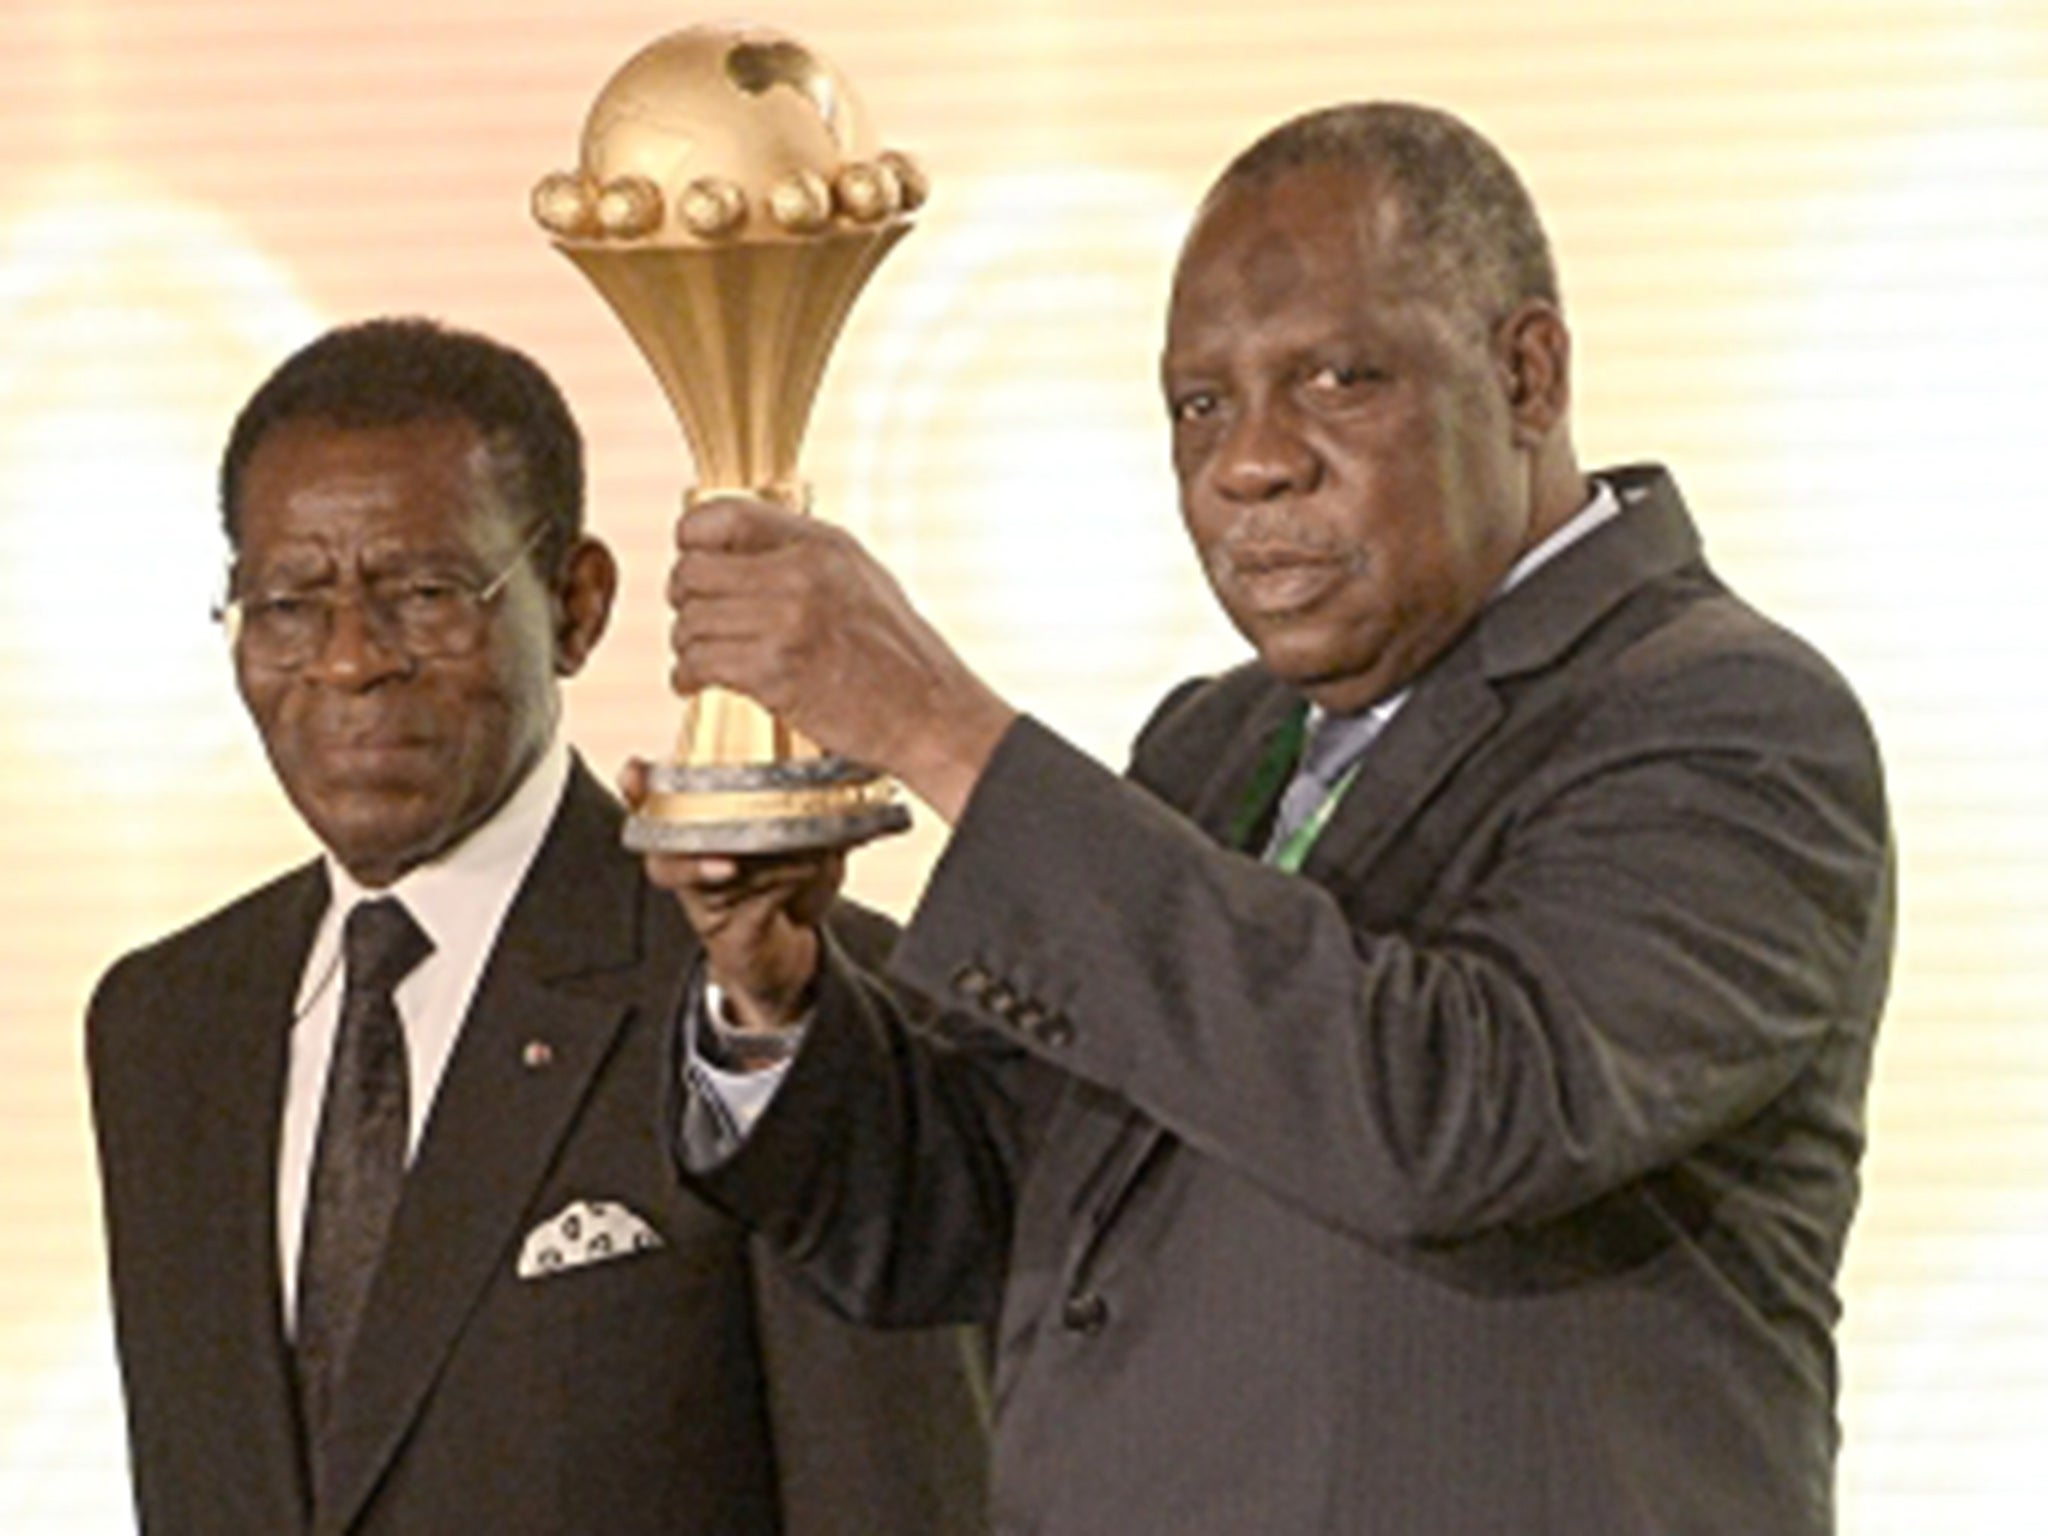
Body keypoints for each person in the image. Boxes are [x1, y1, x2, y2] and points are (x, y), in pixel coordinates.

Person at [647, 103, 1894, 1535]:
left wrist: (938, 726)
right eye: (1200, 404)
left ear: (1528, 374)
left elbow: (1452, 1115)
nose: (1252, 463)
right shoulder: (1213, 741)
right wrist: (776, 994)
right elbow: (970, 1208)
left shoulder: (1728, 719)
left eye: (1336, 380)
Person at [85, 318, 989, 1536]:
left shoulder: (790, 994)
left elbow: (899, 1500)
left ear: (575, 607)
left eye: (423, 594)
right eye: (288, 602)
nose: (350, 661)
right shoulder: (164, 1025)